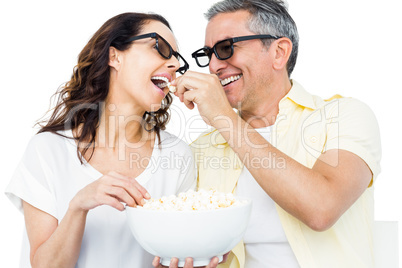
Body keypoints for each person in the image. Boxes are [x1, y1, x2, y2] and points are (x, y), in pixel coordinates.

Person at [168, 0, 382, 267]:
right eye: (208, 53)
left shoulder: (344, 116)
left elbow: (322, 208)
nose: (213, 66)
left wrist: (223, 118)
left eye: (225, 48)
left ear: (279, 52)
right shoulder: (202, 149)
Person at [5, 12, 198, 268]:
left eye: (177, 59)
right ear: (114, 56)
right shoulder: (47, 150)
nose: (174, 64)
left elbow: (176, 254)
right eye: (159, 47)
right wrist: (78, 206)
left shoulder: (178, 156)